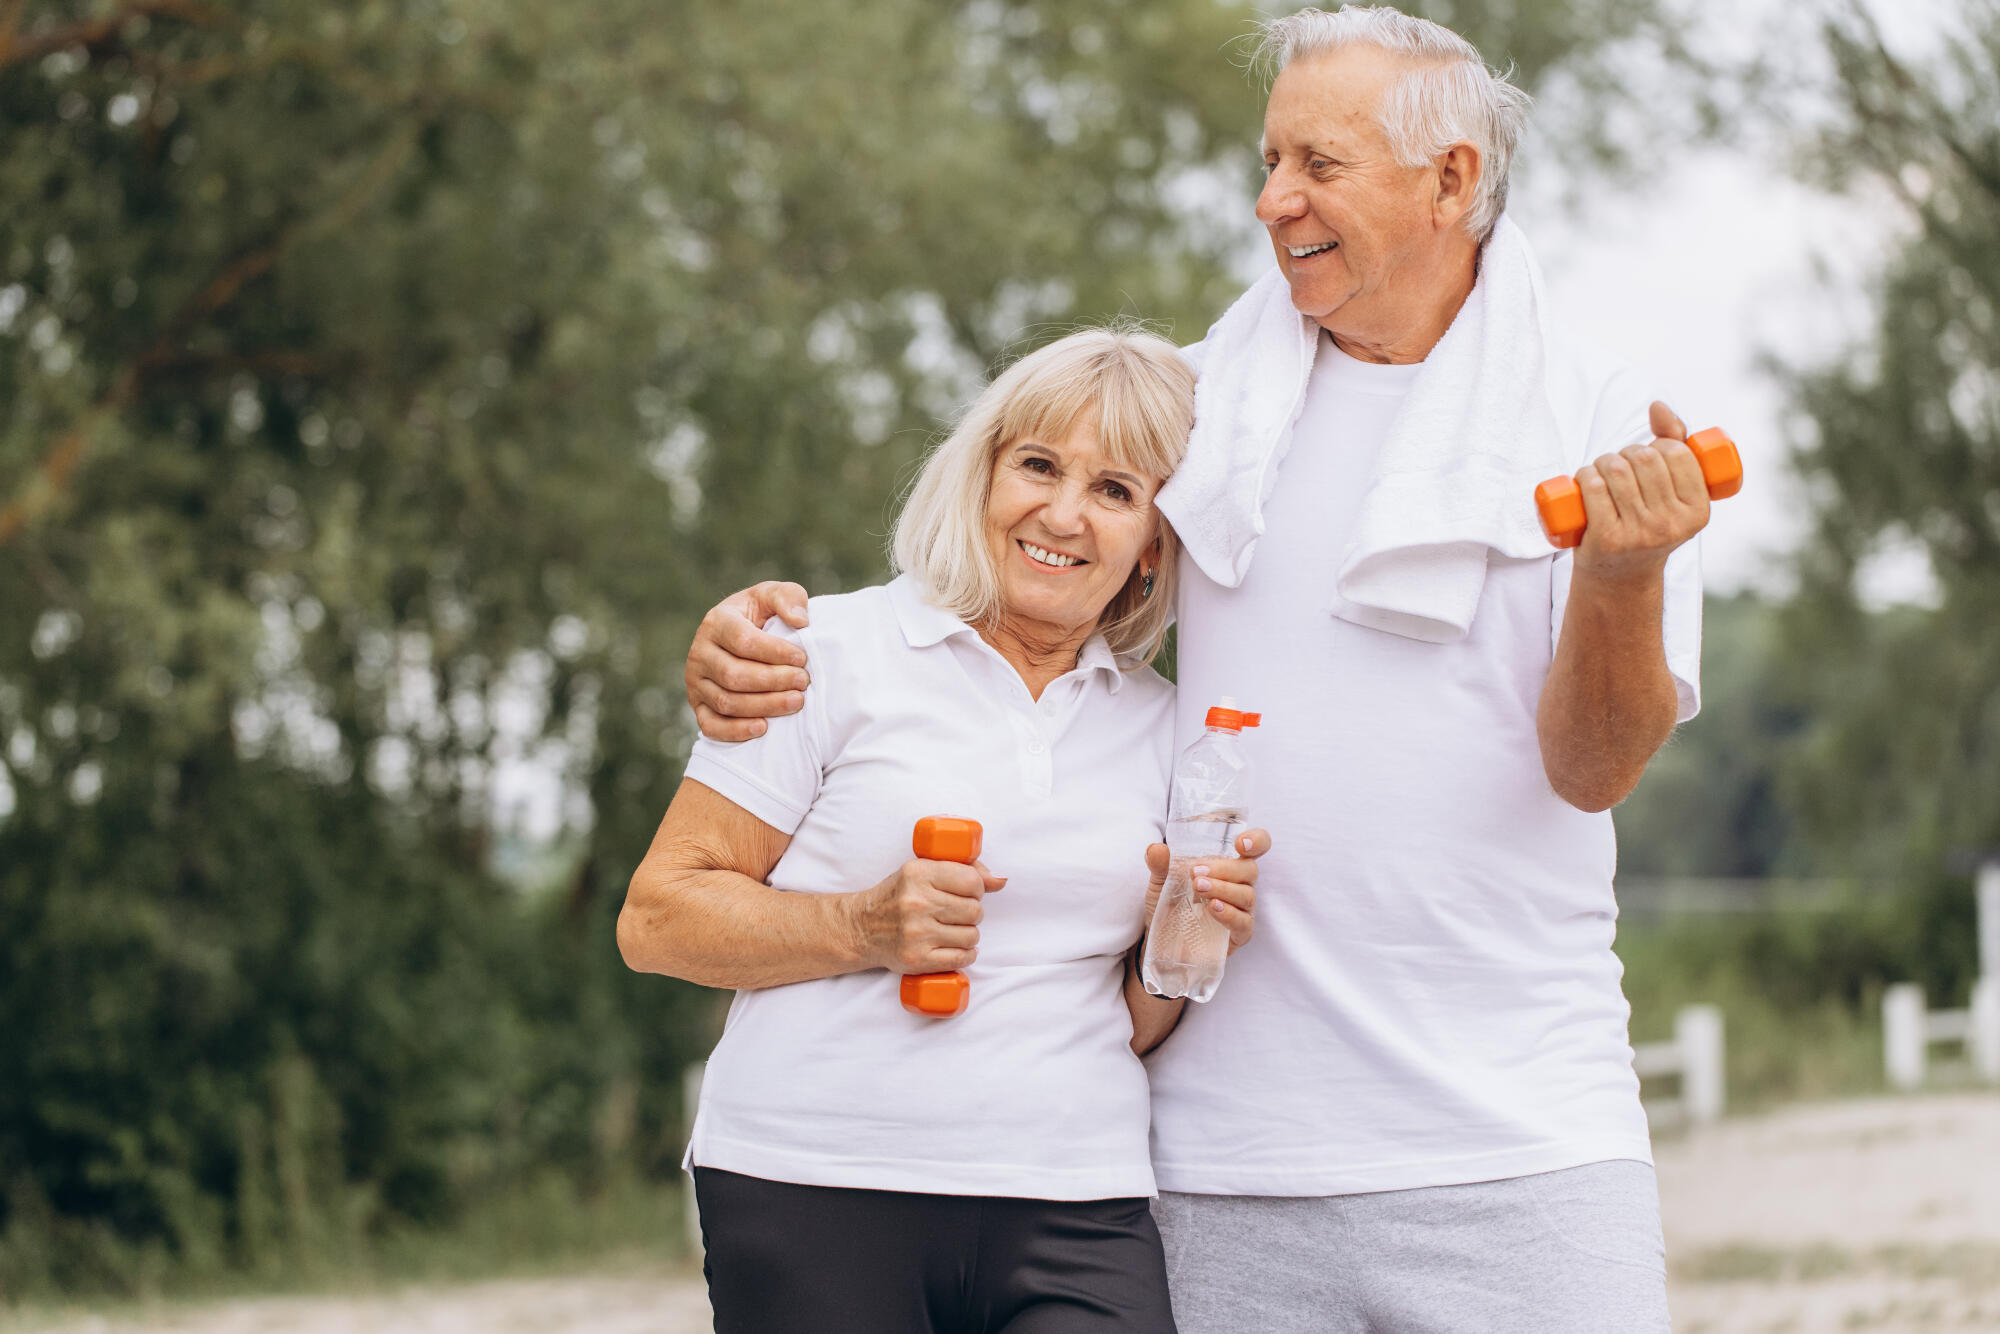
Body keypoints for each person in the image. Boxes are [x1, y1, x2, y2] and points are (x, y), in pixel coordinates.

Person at [681, 7, 1712, 1333]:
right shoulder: (1206, 412)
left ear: (1453, 179)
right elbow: (1021, 578)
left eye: (1319, 165)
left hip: (1521, 1137)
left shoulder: (1600, 426)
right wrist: (762, 637)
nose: (1276, 199)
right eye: (1270, 160)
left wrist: (1624, 572)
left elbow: (1592, 767)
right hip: (1222, 1157)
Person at [620, 326, 1268, 1334]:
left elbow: (1129, 1021)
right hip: (814, 1182)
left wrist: (1181, 942)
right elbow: (657, 918)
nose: (1061, 511)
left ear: (1152, 544)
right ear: (982, 477)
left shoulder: (1166, 729)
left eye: (1114, 489)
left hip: (1075, 1196)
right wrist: (862, 926)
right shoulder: (823, 651)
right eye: (1039, 465)